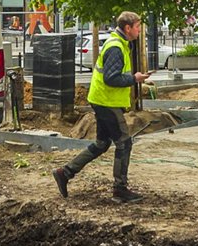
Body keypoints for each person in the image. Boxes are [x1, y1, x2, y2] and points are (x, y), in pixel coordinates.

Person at [53, 11, 150, 203]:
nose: (140, 30)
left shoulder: (119, 43)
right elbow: (111, 78)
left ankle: (65, 172)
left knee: (102, 143)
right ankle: (120, 190)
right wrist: (134, 79)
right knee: (124, 142)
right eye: (138, 27)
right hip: (107, 102)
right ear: (128, 28)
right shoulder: (116, 46)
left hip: (102, 99)